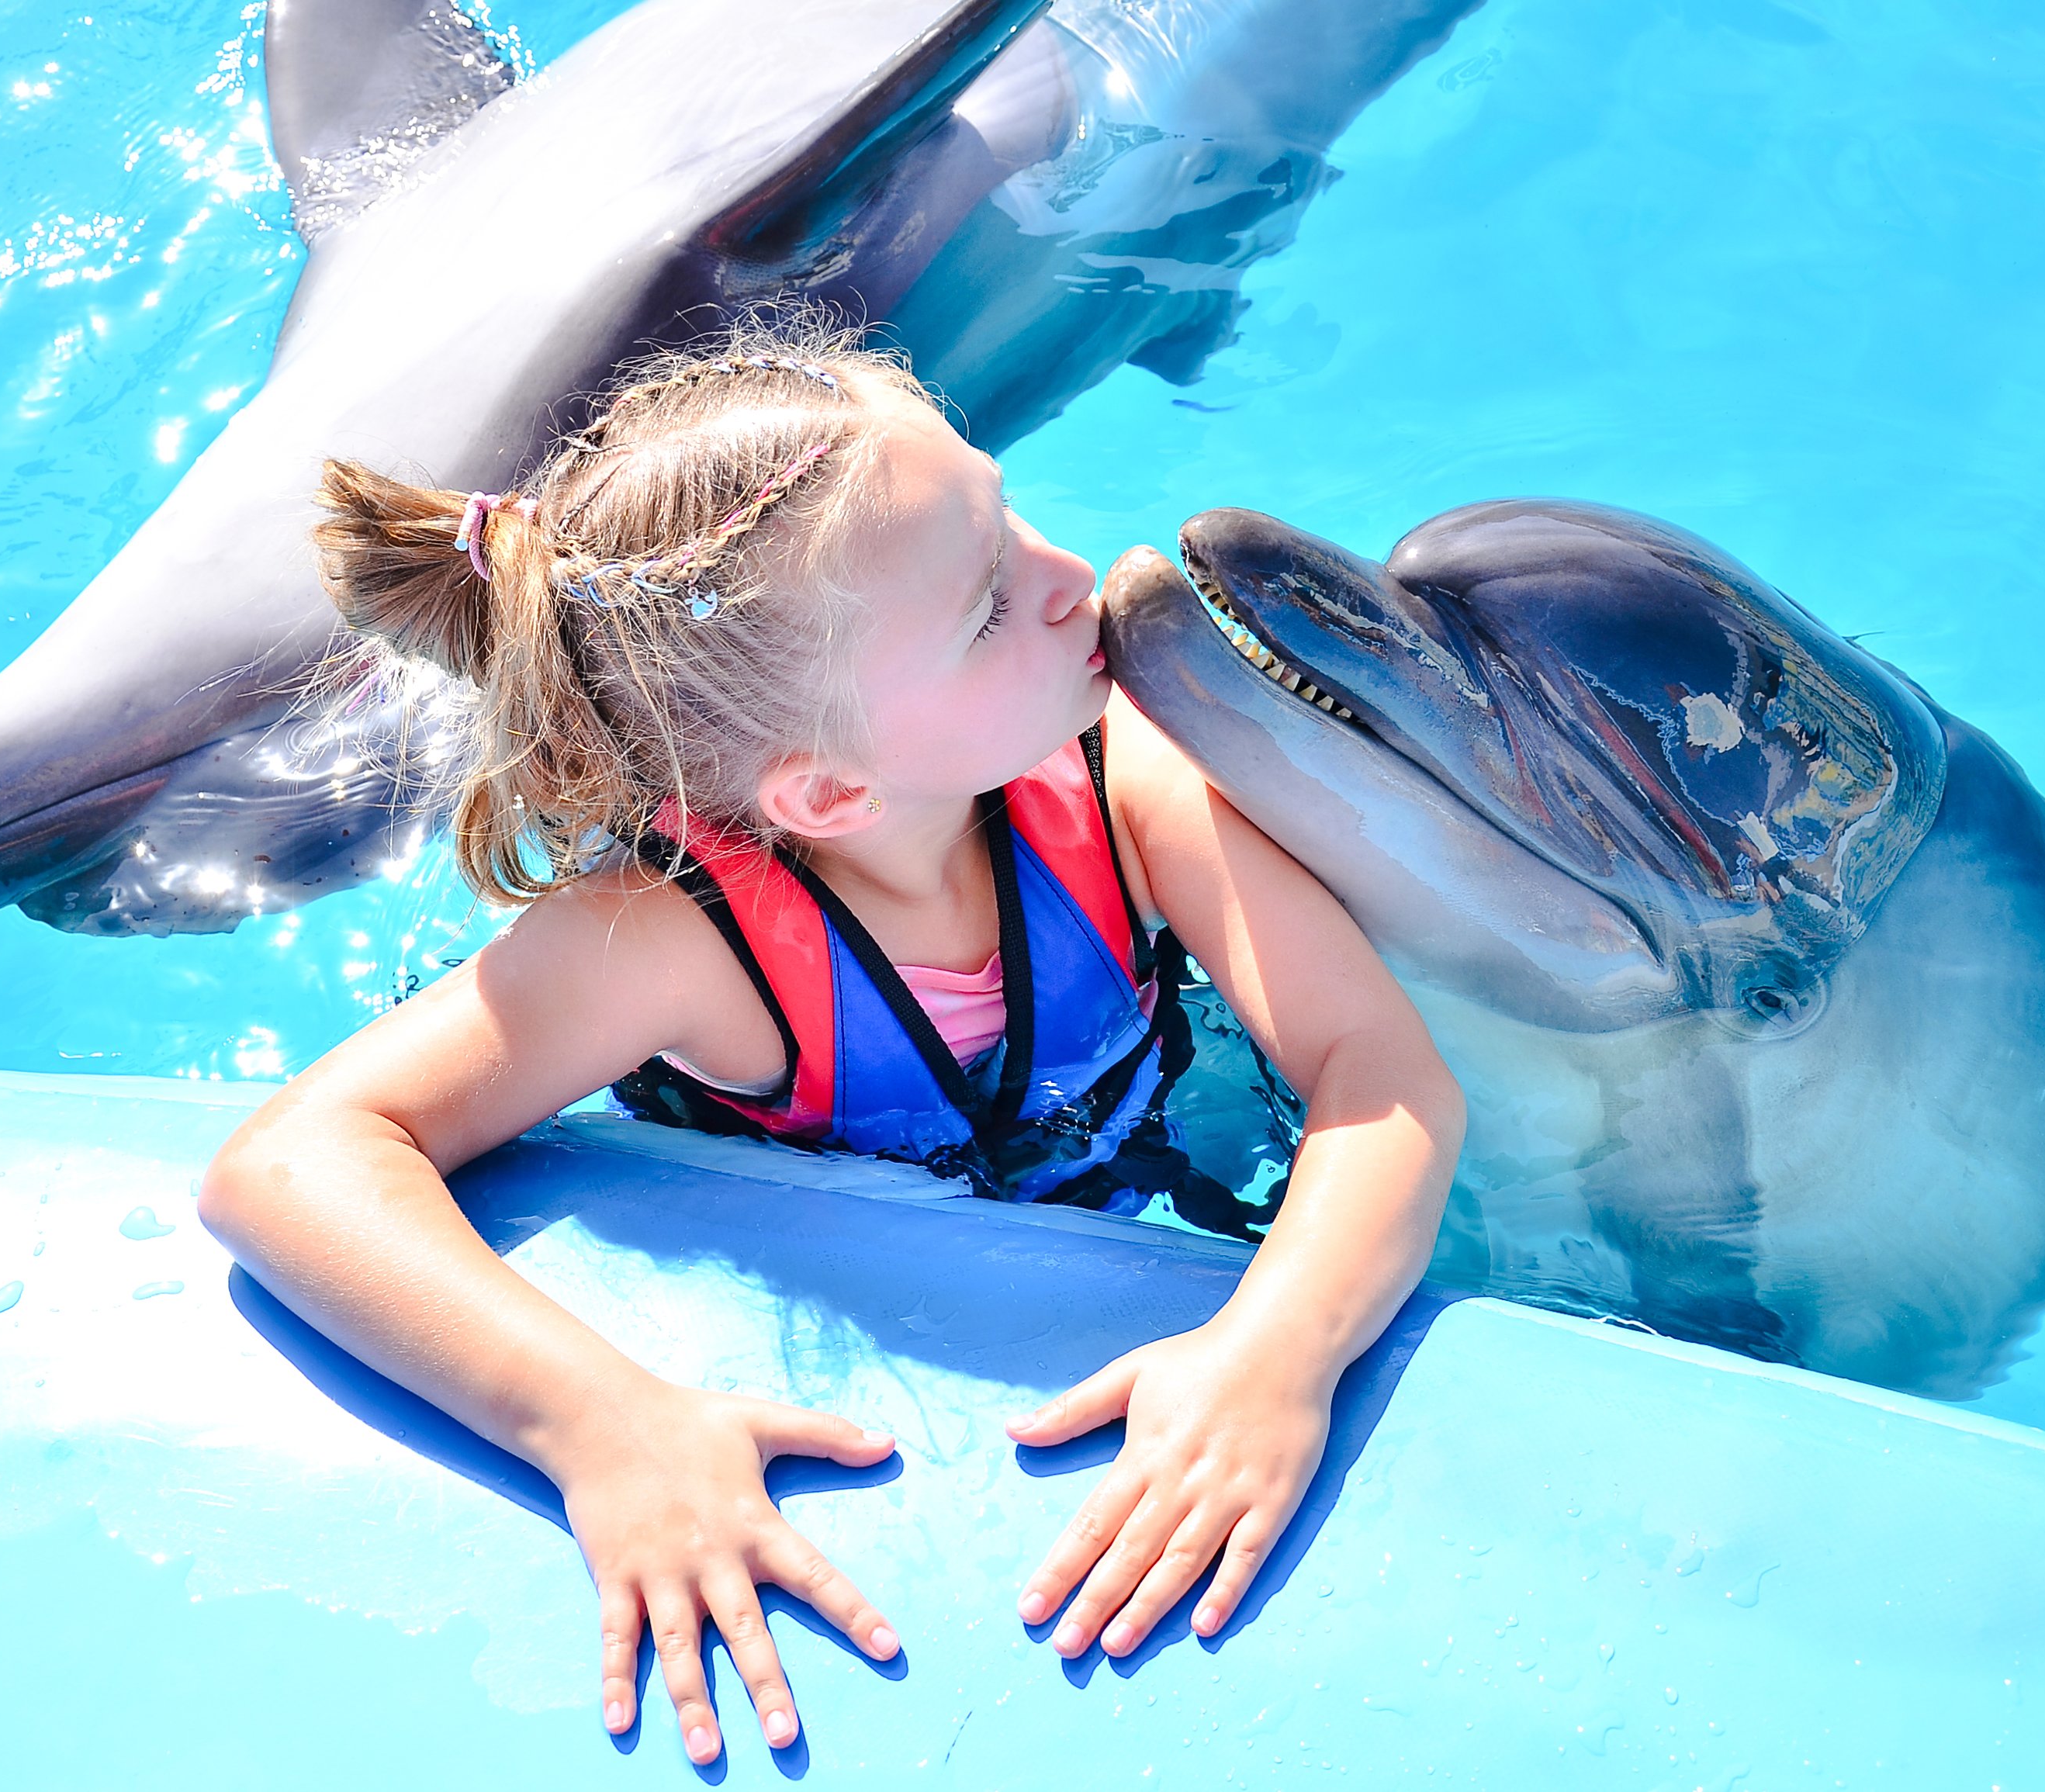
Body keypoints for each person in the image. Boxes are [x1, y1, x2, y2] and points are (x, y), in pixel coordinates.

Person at [197, 317, 1465, 1766]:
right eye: (988, 606)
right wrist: (597, 1426)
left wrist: (1277, 1347)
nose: (1081, 585)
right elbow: (288, 1167)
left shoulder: (1130, 776)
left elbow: (1382, 1069)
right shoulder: (679, 942)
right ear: (827, 791)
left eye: (1010, 510)